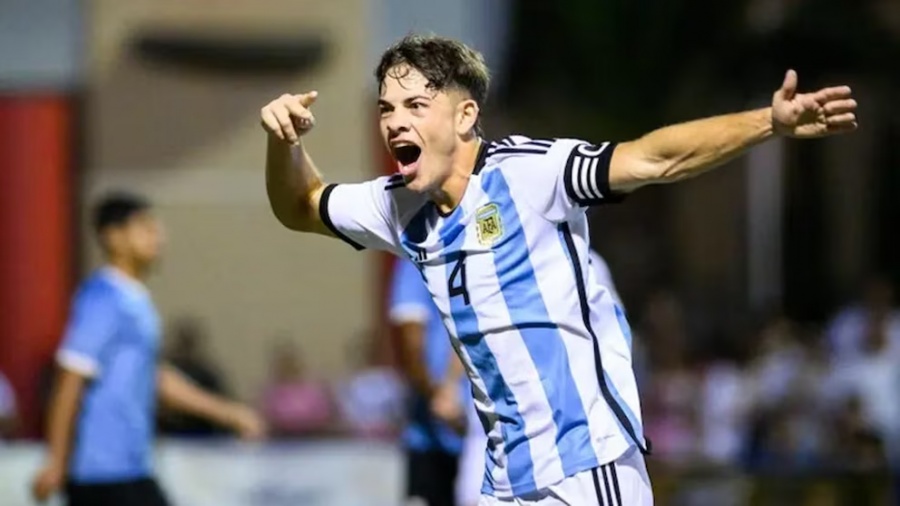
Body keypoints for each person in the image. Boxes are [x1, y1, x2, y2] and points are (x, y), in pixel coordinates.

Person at [260, 34, 857, 505]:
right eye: (387, 108)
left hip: (587, 470)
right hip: (505, 481)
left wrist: (769, 122)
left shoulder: (531, 173)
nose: (395, 121)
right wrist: (283, 144)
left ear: (465, 116)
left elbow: (653, 159)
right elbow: (300, 206)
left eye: (416, 105)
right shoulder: (398, 206)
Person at [31, 193, 265, 506]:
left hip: (131, 467)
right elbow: (70, 378)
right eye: (145, 227)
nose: (158, 236)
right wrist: (56, 462)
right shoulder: (102, 298)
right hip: (101, 472)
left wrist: (227, 412)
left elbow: (154, 378)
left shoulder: (136, 300)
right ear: (114, 237)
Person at [390, 257, 465, 506]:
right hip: (442, 428)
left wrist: (441, 394)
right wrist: (440, 396)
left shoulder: (417, 257)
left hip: (464, 425)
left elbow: (412, 346)